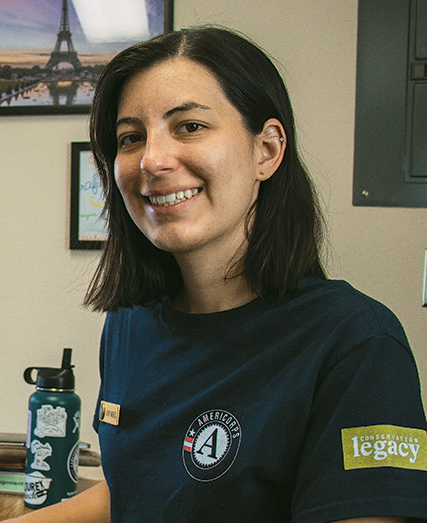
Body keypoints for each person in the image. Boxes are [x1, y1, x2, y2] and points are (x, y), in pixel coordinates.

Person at [8, 26, 427, 523]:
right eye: (130, 137)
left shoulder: (357, 343)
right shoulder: (129, 324)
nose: (152, 160)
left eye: (190, 127)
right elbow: (135, 489)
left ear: (267, 151)